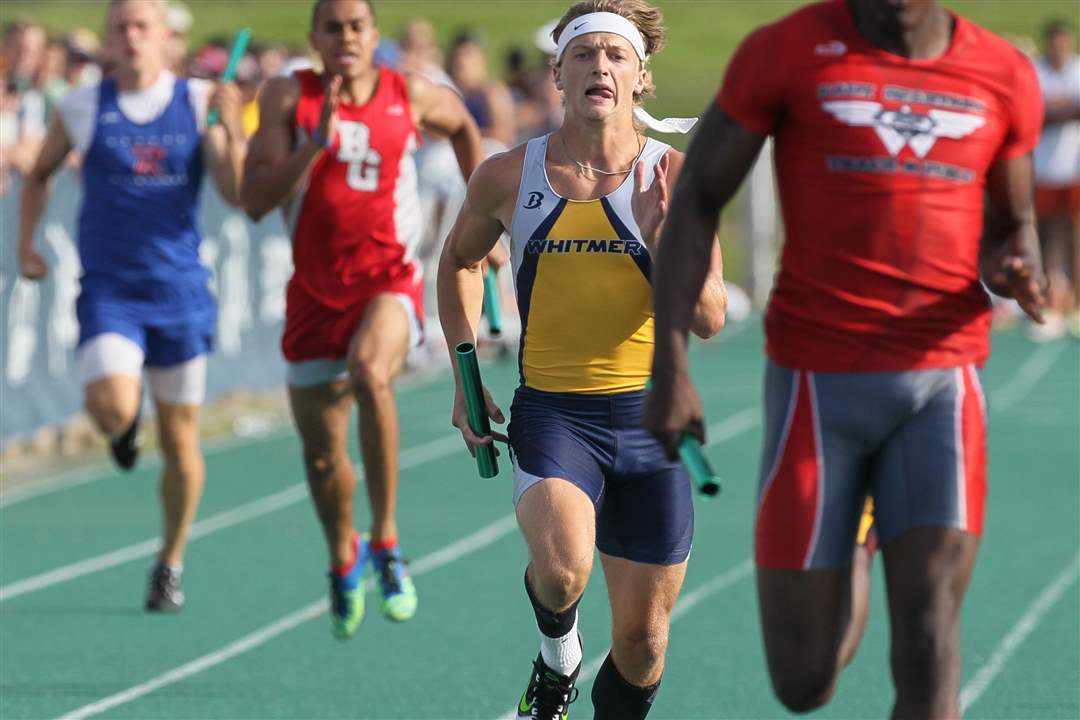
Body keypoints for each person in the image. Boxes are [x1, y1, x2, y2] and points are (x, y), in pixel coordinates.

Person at [644, 0, 1046, 717]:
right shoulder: (785, 51)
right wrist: (669, 364)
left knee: (930, 644)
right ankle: (860, 535)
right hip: (817, 388)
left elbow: (1012, 226)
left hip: (941, 383)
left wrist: (1018, 262)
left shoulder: (1002, 72)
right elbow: (699, 199)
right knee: (803, 681)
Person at [437, 1, 725, 717]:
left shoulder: (676, 177)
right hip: (555, 414)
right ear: (558, 74)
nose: (601, 65)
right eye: (585, 54)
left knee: (642, 642)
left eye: (616, 55)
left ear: (640, 78)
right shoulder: (508, 175)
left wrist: (663, 246)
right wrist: (465, 373)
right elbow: (460, 263)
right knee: (563, 572)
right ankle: (557, 656)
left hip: (650, 423)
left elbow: (711, 318)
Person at [240, 0, 484, 640]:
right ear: (314, 37)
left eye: (357, 26)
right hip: (314, 295)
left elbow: (463, 127)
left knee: (370, 372)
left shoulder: (411, 94)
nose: (346, 37)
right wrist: (312, 148)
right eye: (333, 28)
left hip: (388, 280)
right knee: (322, 459)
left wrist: (484, 218)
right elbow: (254, 200)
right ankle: (341, 557)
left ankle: (385, 541)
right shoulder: (287, 96)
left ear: (375, 35)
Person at [17, 0, 246, 612]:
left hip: (180, 291)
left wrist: (232, 130)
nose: (132, 37)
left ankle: (169, 561)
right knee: (113, 403)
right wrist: (26, 244)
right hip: (111, 289)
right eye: (121, 27)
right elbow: (37, 174)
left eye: (143, 26)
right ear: (110, 39)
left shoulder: (198, 101)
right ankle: (121, 429)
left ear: (166, 37)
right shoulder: (81, 105)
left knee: (179, 440)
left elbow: (234, 189)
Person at [1032, 19, 1080, 340]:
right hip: (1043, 168)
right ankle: (1052, 299)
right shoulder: (1037, 71)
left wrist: (1054, 111)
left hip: (1075, 167)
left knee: (1076, 234)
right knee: (1047, 236)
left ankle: (1076, 301)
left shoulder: (1078, 70)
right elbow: (1032, 112)